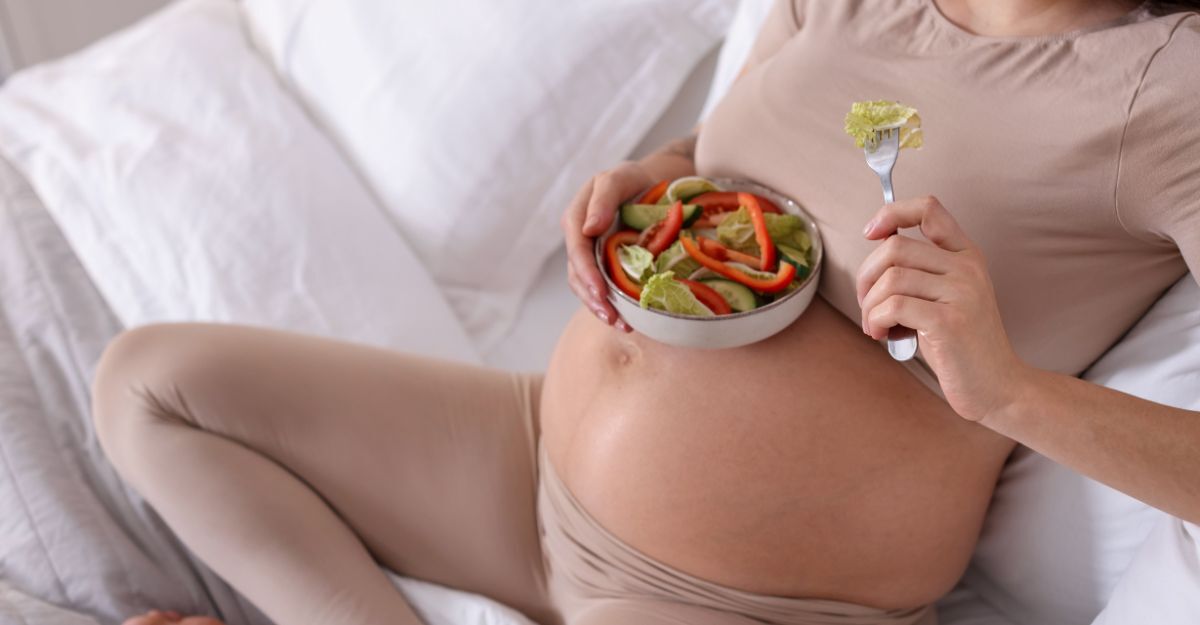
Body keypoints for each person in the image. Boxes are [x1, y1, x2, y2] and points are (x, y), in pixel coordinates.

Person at [95, 1, 1200, 624]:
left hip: (739, 596)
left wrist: (1010, 388)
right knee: (149, 388)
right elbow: (728, 155)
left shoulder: (1166, 91)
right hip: (530, 458)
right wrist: (651, 174)